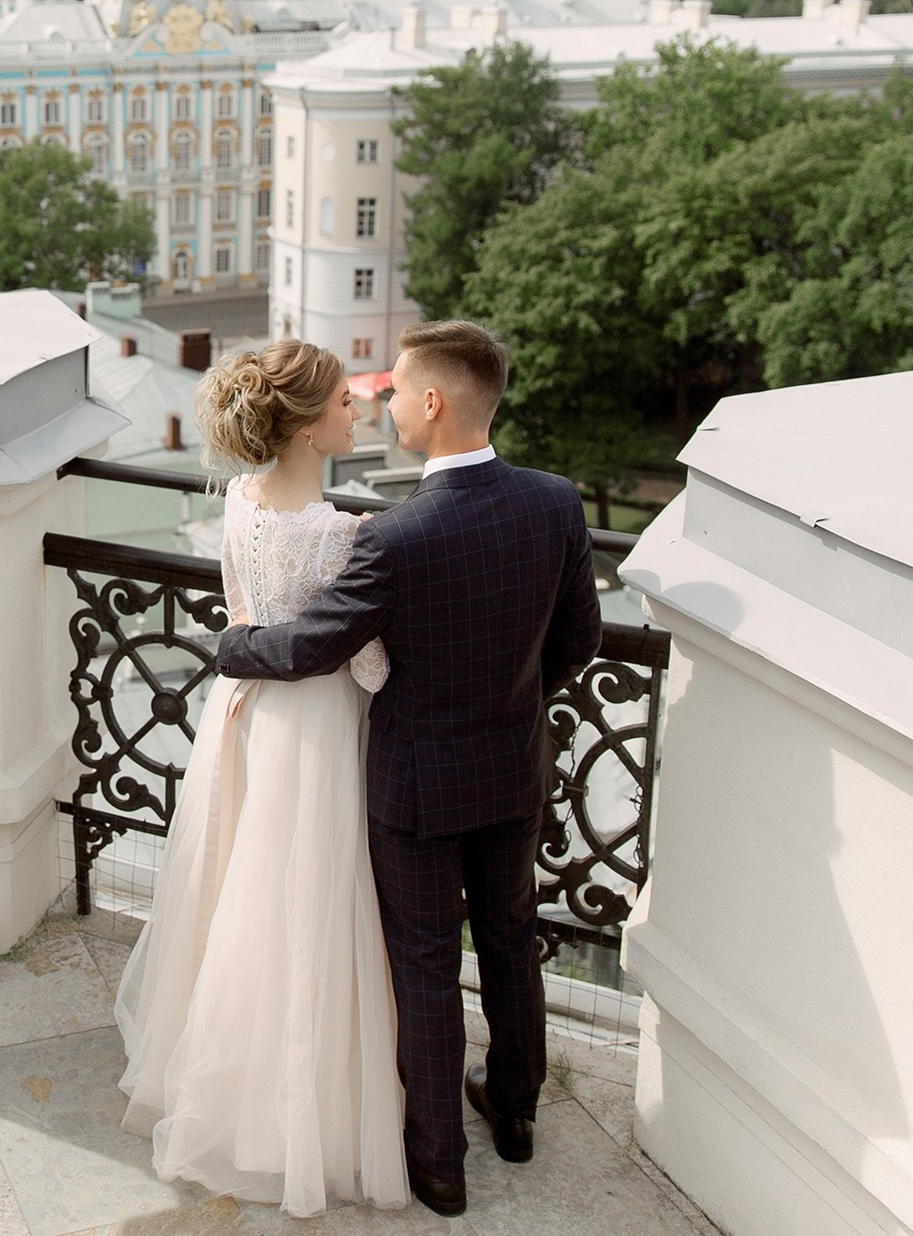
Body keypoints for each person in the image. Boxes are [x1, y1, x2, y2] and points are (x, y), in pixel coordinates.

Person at [215, 320, 601, 1218]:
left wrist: (232, 646)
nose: (381, 401)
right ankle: (515, 1112)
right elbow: (578, 639)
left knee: (424, 965)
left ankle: (439, 1165)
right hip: (510, 769)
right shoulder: (556, 502)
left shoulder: (394, 534)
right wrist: (506, 704)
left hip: (415, 785)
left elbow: (315, 642)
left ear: (433, 402)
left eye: (393, 391)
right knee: (509, 936)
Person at [113, 339, 411, 1217]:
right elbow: (365, 664)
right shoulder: (337, 534)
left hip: (243, 713)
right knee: (309, 905)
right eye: (345, 405)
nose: (358, 411)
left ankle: (229, 1081)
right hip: (313, 726)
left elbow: (249, 613)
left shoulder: (242, 500)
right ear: (311, 427)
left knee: (243, 894)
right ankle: (298, 1114)